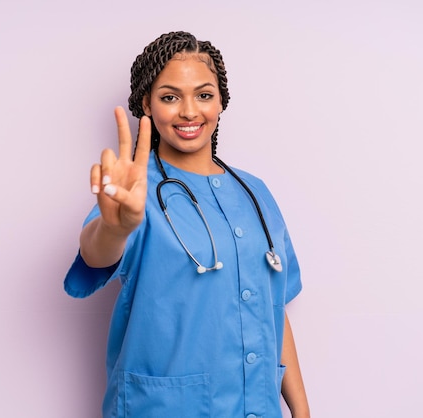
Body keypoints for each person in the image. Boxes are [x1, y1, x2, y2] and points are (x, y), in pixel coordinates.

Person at [64, 31, 310, 418]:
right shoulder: (135, 191)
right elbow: (96, 256)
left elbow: (272, 309)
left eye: (204, 95)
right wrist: (116, 227)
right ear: (146, 103)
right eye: (170, 97)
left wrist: (301, 410)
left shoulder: (255, 194)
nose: (190, 111)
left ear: (221, 102)